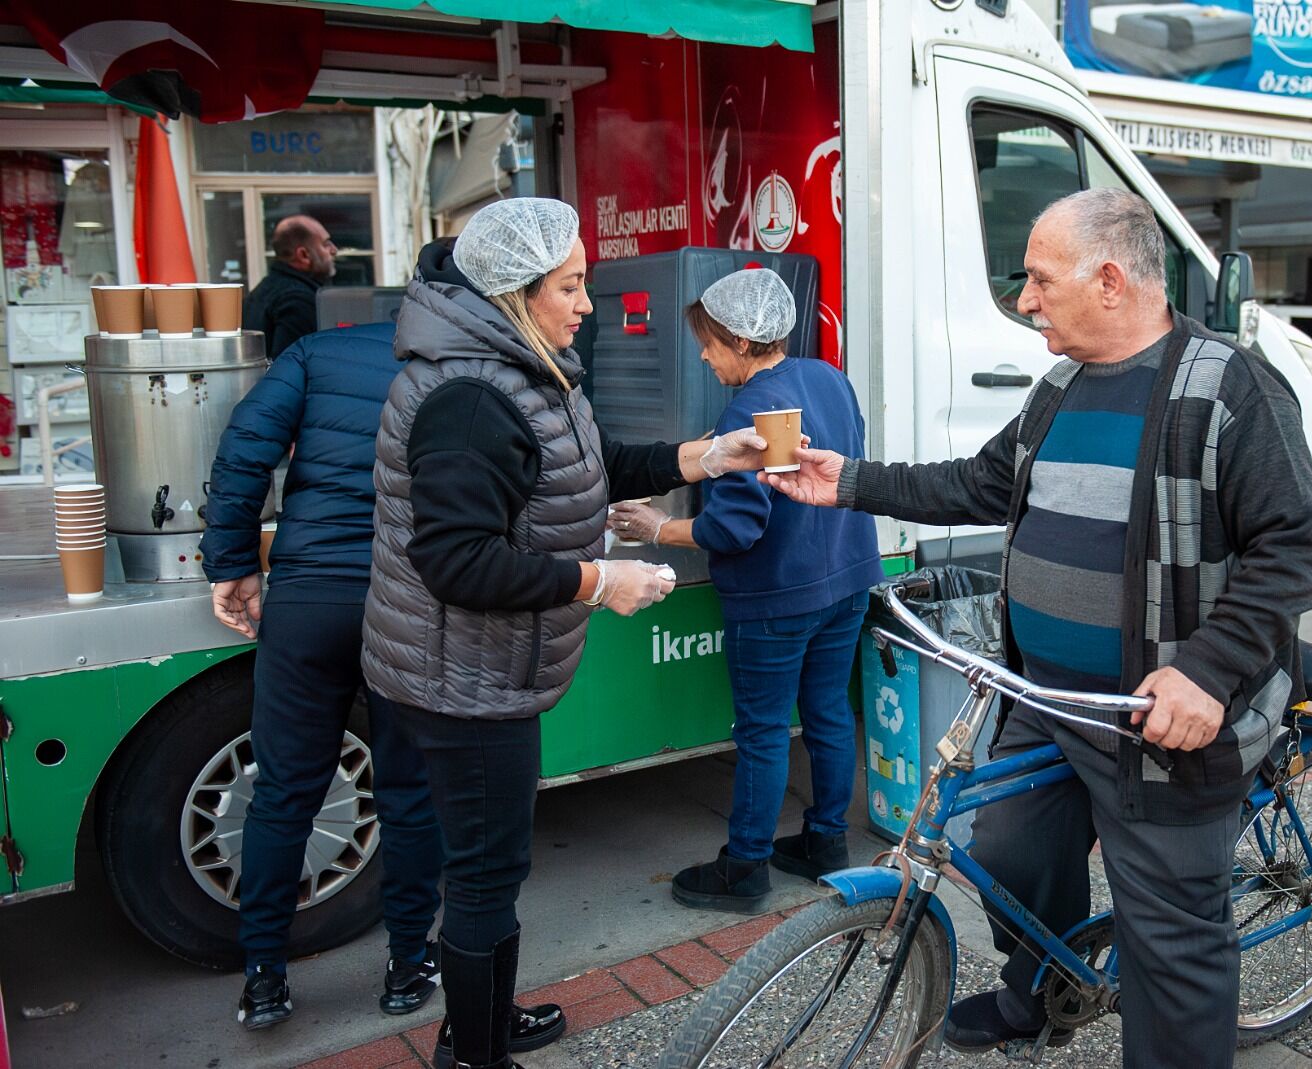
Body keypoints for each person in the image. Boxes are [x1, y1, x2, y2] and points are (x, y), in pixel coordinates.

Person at [761, 188, 1312, 1068]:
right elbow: (980, 483)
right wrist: (849, 482)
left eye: (1037, 279)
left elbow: (1296, 549)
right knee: (1009, 846)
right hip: (1052, 699)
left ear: (1109, 280)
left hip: (1160, 722)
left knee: (1171, 944)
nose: (1025, 300)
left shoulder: (1229, 388)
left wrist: (1207, 672)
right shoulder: (1061, 385)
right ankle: (1041, 992)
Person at [361, 198, 768, 1069]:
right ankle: (475, 1052)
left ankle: (485, 1019)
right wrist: (600, 581)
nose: (587, 303)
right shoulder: (468, 400)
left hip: (484, 669)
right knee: (483, 873)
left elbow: (592, 460)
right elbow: (457, 563)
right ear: (515, 293)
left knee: (494, 867)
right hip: (460, 680)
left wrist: (704, 457)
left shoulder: (521, 366)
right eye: (572, 286)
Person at [608, 269, 883, 914]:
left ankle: (746, 866)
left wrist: (658, 526)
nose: (703, 355)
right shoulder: (826, 378)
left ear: (739, 340)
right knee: (828, 715)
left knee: (761, 731)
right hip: (844, 580)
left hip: (778, 598)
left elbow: (733, 528)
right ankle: (825, 843)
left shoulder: (754, 409)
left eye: (708, 343)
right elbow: (837, 465)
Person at [201, 323, 445, 1032]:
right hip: (411, 601)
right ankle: (406, 965)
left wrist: (232, 562)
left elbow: (244, 450)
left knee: (282, 792)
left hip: (310, 598)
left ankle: (264, 979)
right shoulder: (467, 356)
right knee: (407, 788)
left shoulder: (319, 351)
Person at [244, 214, 338, 359]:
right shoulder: (298, 300)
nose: (334, 250)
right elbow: (292, 365)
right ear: (303, 255)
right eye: (325, 244)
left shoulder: (265, 289)